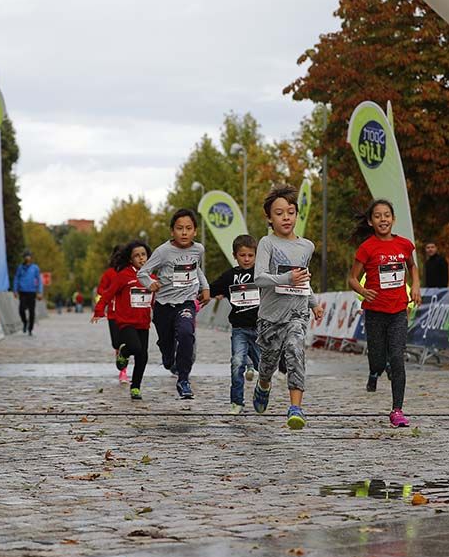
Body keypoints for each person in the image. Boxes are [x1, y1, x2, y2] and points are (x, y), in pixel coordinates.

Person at [252, 184, 324, 429]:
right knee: (268, 364)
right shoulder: (267, 243)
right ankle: (263, 384)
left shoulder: (307, 246)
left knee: (295, 350)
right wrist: (285, 279)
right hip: (271, 316)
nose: (286, 217)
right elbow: (259, 278)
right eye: (279, 213)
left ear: (296, 214)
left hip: (297, 312)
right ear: (270, 218)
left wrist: (314, 303)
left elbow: (303, 279)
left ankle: (296, 408)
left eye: (290, 212)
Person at [347, 199, 422, 428]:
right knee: (378, 359)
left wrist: (416, 286)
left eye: (387, 215)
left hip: (398, 310)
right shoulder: (367, 247)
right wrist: (362, 290)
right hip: (375, 312)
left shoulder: (404, 245)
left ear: (393, 219)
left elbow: (412, 267)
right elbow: (351, 278)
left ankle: (397, 410)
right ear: (371, 221)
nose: (383, 219)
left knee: (398, 359)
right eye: (378, 216)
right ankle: (375, 372)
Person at [138, 209, 210, 399]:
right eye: (180, 228)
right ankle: (169, 358)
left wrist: (205, 287)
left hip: (186, 302)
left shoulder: (198, 249)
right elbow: (143, 272)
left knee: (187, 334)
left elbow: (197, 270)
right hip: (163, 305)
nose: (184, 233)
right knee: (168, 349)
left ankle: (184, 380)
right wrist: (150, 283)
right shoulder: (163, 251)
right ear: (172, 231)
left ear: (195, 231)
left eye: (188, 228)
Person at [92, 241, 153, 399]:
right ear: (130, 259)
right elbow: (108, 294)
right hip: (126, 321)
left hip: (143, 322)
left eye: (143, 255)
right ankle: (124, 352)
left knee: (143, 356)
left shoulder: (152, 277)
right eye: (136, 256)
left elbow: (156, 299)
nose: (141, 258)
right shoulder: (123, 276)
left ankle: (136, 387)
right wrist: (99, 310)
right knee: (135, 347)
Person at [209, 234, 261, 414]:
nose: (246, 259)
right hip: (239, 328)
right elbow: (210, 289)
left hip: (261, 329)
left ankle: (260, 392)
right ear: (235, 255)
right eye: (242, 255)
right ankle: (236, 402)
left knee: (264, 368)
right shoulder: (229, 276)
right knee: (237, 362)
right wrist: (199, 296)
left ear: (256, 255)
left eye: (250, 255)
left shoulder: (262, 275)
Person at [13, 250, 43, 336]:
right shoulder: (20, 268)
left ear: (31, 257)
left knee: (31, 311)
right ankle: (25, 322)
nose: (27, 257)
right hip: (22, 292)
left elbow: (39, 280)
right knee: (21, 309)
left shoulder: (35, 268)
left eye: (29, 256)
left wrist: (40, 292)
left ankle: (30, 329)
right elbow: (16, 278)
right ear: (24, 258)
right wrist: (15, 290)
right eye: (26, 256)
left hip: (32, 292)